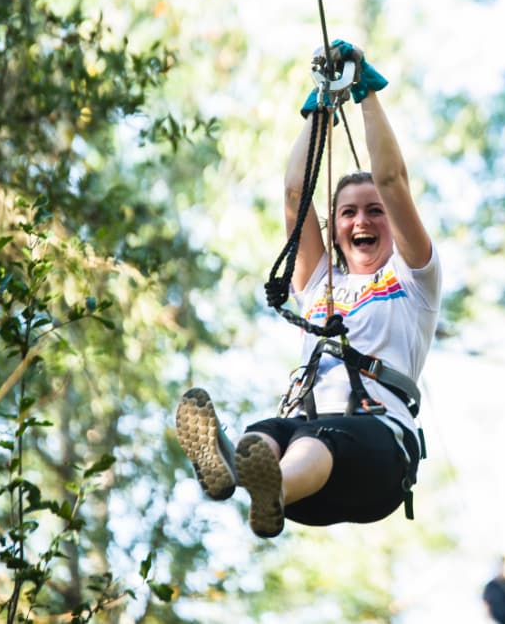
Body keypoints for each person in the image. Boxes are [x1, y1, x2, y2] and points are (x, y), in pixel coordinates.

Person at [175, 40, 440, 538]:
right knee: (272, 432)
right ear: (335, 226)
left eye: (374, 210)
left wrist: (366, 94)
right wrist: (320, 106)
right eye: (348, 212)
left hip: (378, 455)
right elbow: (297, 194)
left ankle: (271, 485)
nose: (362, 220)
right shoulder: (321, 284)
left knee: (320, 438)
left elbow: (392, 178)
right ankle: (243, 473)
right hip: (308, 469)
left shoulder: (413, 277)